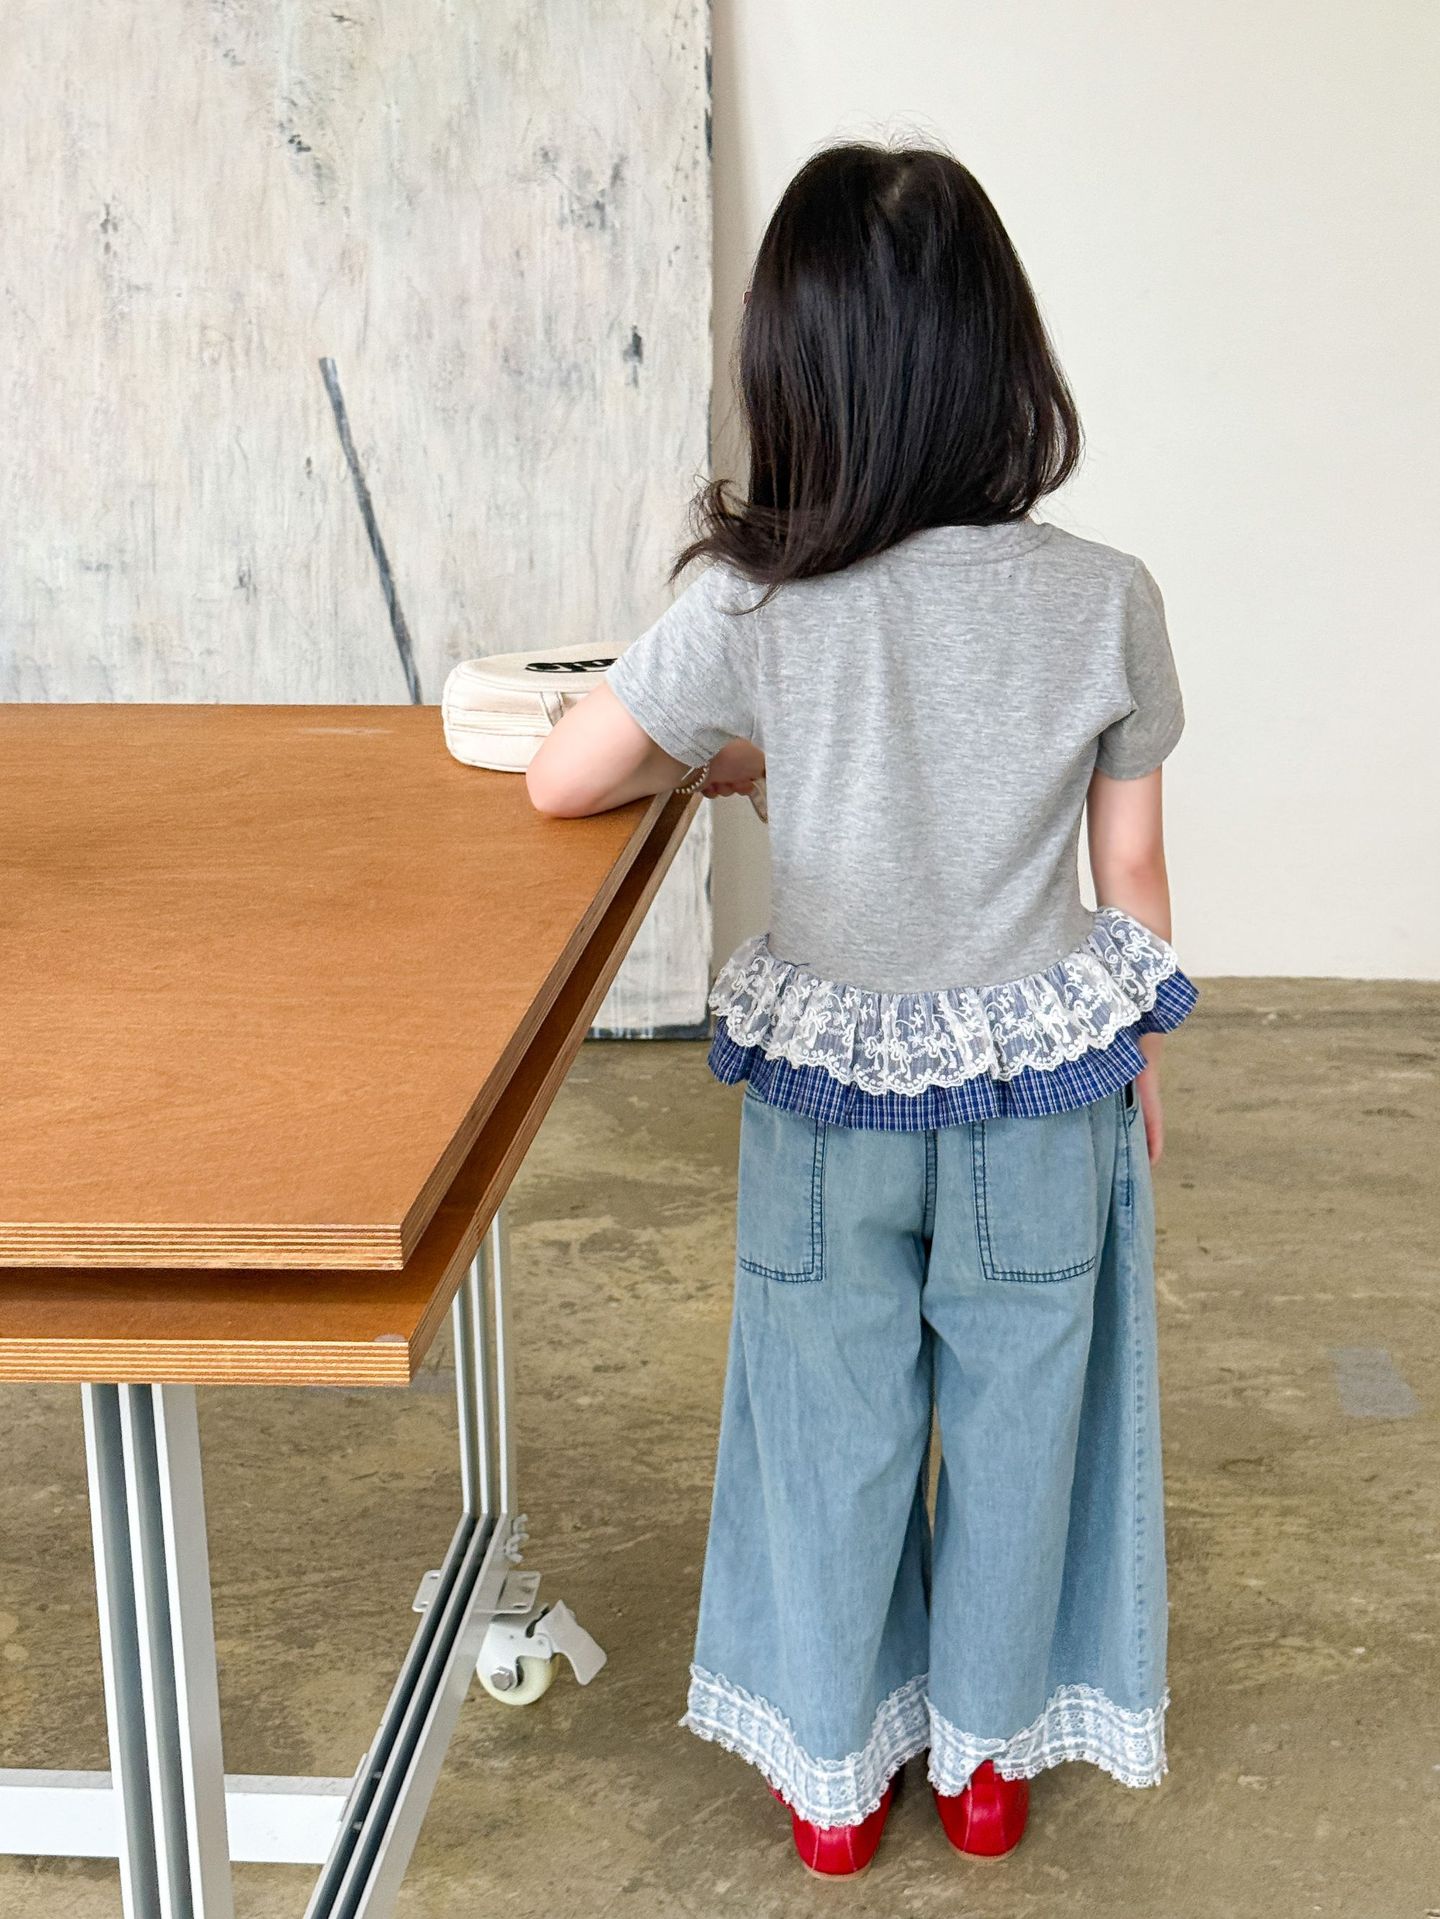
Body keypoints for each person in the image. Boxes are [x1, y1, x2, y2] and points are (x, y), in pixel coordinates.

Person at [525, 138, 1198, 1880]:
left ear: (797, 370)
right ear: (1003, 356)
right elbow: (1131, 870)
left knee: (829, 1422)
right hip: (1039, 1087)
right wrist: (1140, 1066)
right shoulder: (1106, 596)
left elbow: (566, 779)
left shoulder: (751, 603)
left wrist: (749, 748)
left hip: (832, 1099)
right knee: (1029, 1418)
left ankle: (834, 1787)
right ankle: (986, 1773)